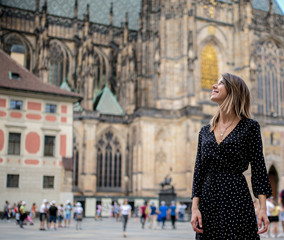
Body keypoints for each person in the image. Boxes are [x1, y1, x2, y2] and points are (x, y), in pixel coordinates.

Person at [191, 73, 272, 239]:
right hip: (208, 200)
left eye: (220, 83)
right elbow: (199, 171)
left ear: (233, 91)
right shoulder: (205, 131)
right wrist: (194, 208)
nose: (214, 86)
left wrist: (263, 208)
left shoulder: (250, 127)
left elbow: (259, 168)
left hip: (236, 198)